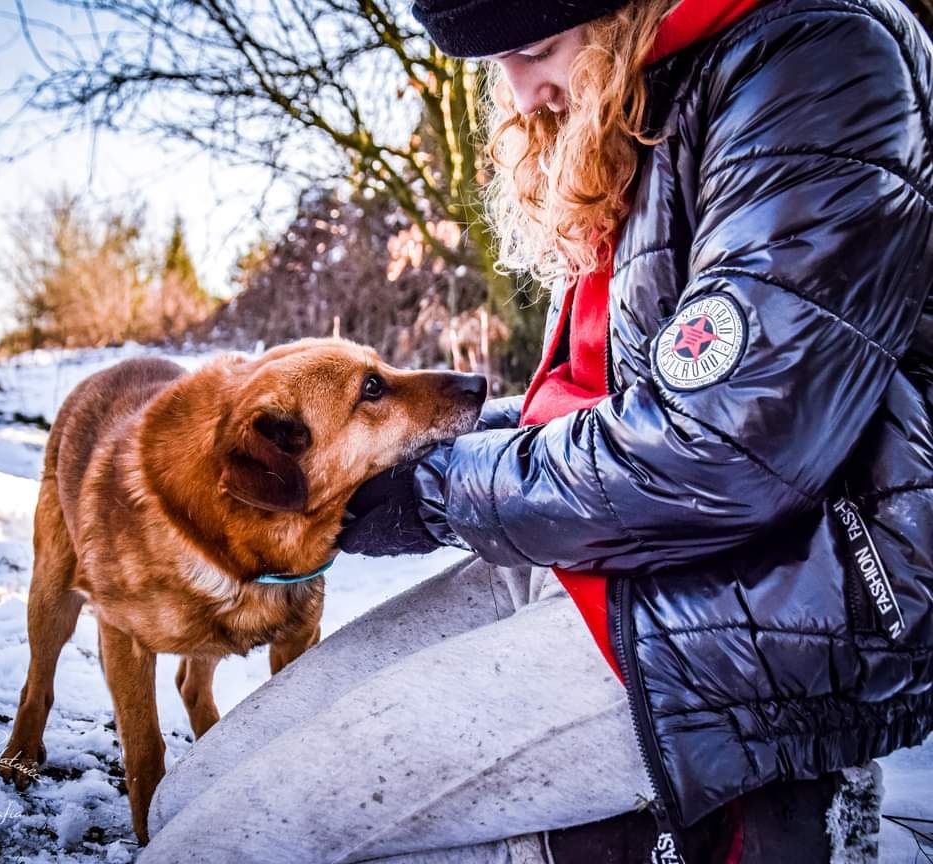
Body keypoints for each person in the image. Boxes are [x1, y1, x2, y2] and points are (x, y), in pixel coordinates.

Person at [142, 0, 933, 862]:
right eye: (496, 61)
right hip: (618, 554)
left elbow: (724, 443)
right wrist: (435, 459)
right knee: (186, 800)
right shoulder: (634, 98)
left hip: (768, 606)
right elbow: (608, 409)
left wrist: (439, 490)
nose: (518, 91)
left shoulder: (815, 63)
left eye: (535, 47)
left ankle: (731, 824)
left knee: (223, 844)